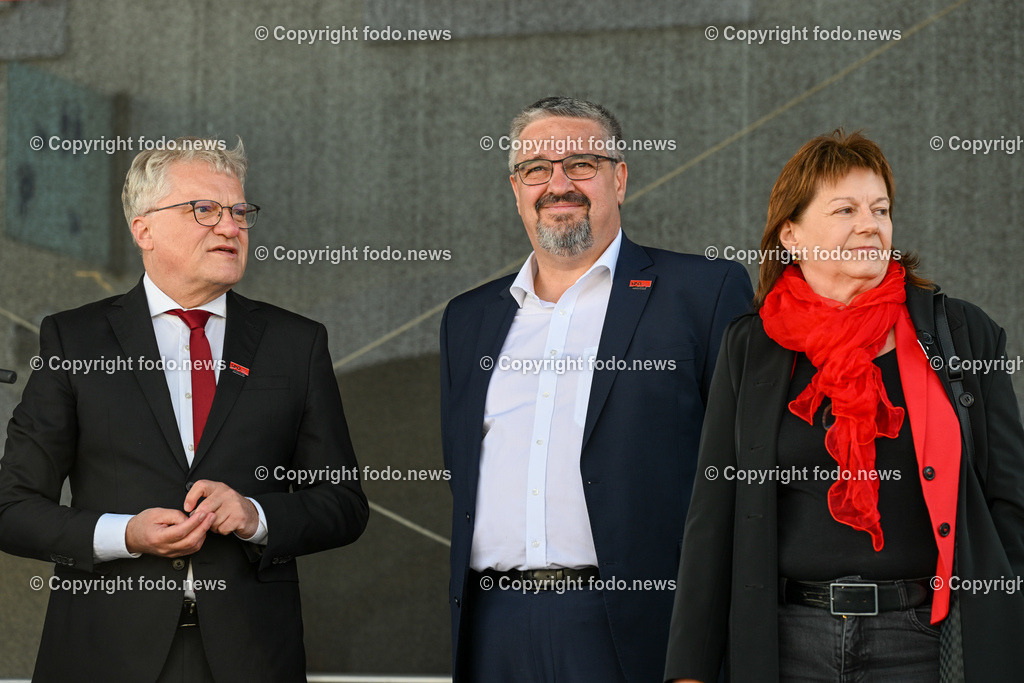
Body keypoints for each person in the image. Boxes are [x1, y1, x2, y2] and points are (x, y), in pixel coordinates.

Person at [0, 138, 368, 683]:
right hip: (104, 657)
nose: (230, 227)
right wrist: (125, 534)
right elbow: (12, 508)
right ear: (143, 230)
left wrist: (256, 517)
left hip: (249, 658)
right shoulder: (74, 338)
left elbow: (343, 503)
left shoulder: (296, 343)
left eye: (239, 212)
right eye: (205, 210)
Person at [665, 130, 1024, 682]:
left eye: (880, 209)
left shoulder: (961, 332)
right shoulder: (752, 344)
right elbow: (713, 513)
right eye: (846, 209)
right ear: (791, 234)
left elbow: (1010, 498)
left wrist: (1004, 621)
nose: (870, 224)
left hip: (924, 642)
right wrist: (689, 669)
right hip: (789, 643)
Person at [440, 96, 753, 682]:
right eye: (536, 169)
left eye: (581, 164)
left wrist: (706, 650)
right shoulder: (468, 318)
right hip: (493, 630)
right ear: (516, 188)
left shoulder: (702, 292)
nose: (558, 184)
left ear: (620, 179)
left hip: (637, 625)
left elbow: (742, 476)